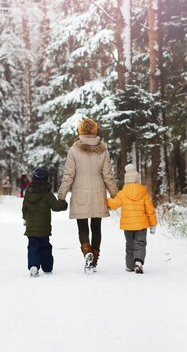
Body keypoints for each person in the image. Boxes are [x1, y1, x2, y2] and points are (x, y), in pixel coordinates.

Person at [57, 117, 118, 274]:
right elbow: (108, 175)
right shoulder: (103, 149)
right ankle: (95, 259)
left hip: (80, 193)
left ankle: (87, 252)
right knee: (96, 227)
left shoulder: (74, 150)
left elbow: (69, 175)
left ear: (81, 131)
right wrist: (114, 193)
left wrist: (62, 194)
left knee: (82, 227)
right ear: (95, 130)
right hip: (98, 192)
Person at [106, 164, 157, 274]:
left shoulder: (122, 193)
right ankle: (138, 262)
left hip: (128, 226)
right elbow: (150, 209)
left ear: (126, 180)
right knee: (140, 243)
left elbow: (114, 204)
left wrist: (104, 201)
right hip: (141, 225)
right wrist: (153, 224)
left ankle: (129, 265)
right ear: (137, 179)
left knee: (130, 245)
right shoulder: (144, 193)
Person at [22, 167, 68, 277]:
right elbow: (56, 206)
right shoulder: (47, 193)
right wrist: (64, 204)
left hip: (31, 228)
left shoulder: (28, 191)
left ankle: (33, 266)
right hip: (44, 228)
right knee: (45, 246)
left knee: (32, 246)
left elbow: (24, 208)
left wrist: (26, 218)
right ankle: (47, 267)